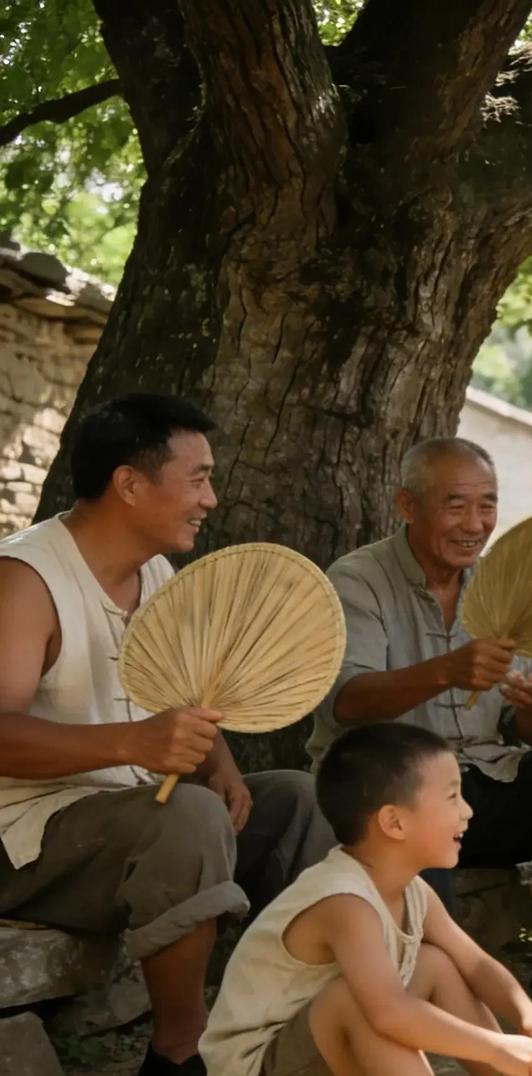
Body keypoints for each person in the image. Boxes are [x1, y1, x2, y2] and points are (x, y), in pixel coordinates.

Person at [0, 394, 334, 1076]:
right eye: (199, 477)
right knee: (185, 816)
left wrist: (225, 766)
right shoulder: (25, 579)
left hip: (134, 820)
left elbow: (187, 695)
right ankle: (182, 1053)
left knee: (299, 801)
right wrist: (130, 745)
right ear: (129, 483)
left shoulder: (157, 574)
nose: (210, 498)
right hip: (25, 841)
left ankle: (275, 1024)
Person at [307, 437, 532, 1004]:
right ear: (407, 506)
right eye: (455, 504)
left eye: (487, 505)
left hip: (486, 783)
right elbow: (343, 701)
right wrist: (445, 671)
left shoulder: (504, 583)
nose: (475, 523)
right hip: (387, 789)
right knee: (419, 782)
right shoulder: (358, 579)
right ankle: (430, 976)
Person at [201, 723, 532, 1076]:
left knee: (435, 962)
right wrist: (494, 1046)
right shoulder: (344, 901)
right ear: (394, 823)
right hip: (259, 1065)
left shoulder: (411, 890)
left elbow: (474, 964)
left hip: (319, 1047)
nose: (468, 811)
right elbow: (389, 1014)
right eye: (452, 797)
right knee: (363, 1003)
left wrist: (529, 1018)